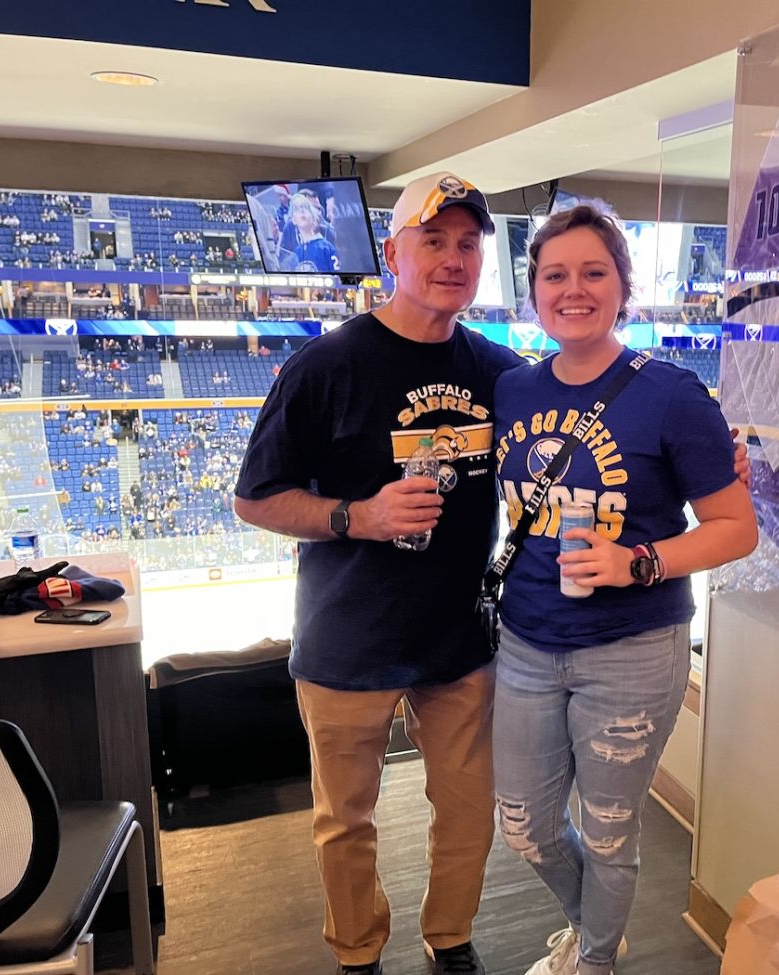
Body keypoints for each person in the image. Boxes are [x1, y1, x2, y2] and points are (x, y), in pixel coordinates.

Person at [233, 172, 523, 975]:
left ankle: (451, 938)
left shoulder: (500, 370)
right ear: (393, 253)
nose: (454, 258)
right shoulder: (323, 366)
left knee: (467, 813)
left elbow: (577, 434)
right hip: (346, 640)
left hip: (458, 641)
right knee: (345, 820)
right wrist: (357, 516)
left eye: (469, 244)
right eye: (434, 240)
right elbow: (254, 499)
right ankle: (357, 953)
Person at [491, 203, 759, 975]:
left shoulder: (670, 393)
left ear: (622, 286)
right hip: (527, 643)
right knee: (528, 825)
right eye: (555, 275)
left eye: (593, 272)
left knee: (609, 829)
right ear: (533, 291)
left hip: (632, 652)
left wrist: (637, 561)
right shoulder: (510, 388)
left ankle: (596, 962)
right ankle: (593, 929)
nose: (574, 289)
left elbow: (735, 527)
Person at [278, 193, 339, 273]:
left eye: (305, 208)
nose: (302, 211)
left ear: (314, 218)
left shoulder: (327, 248)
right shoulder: (295, 255)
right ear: (293, 220)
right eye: (297, 209)